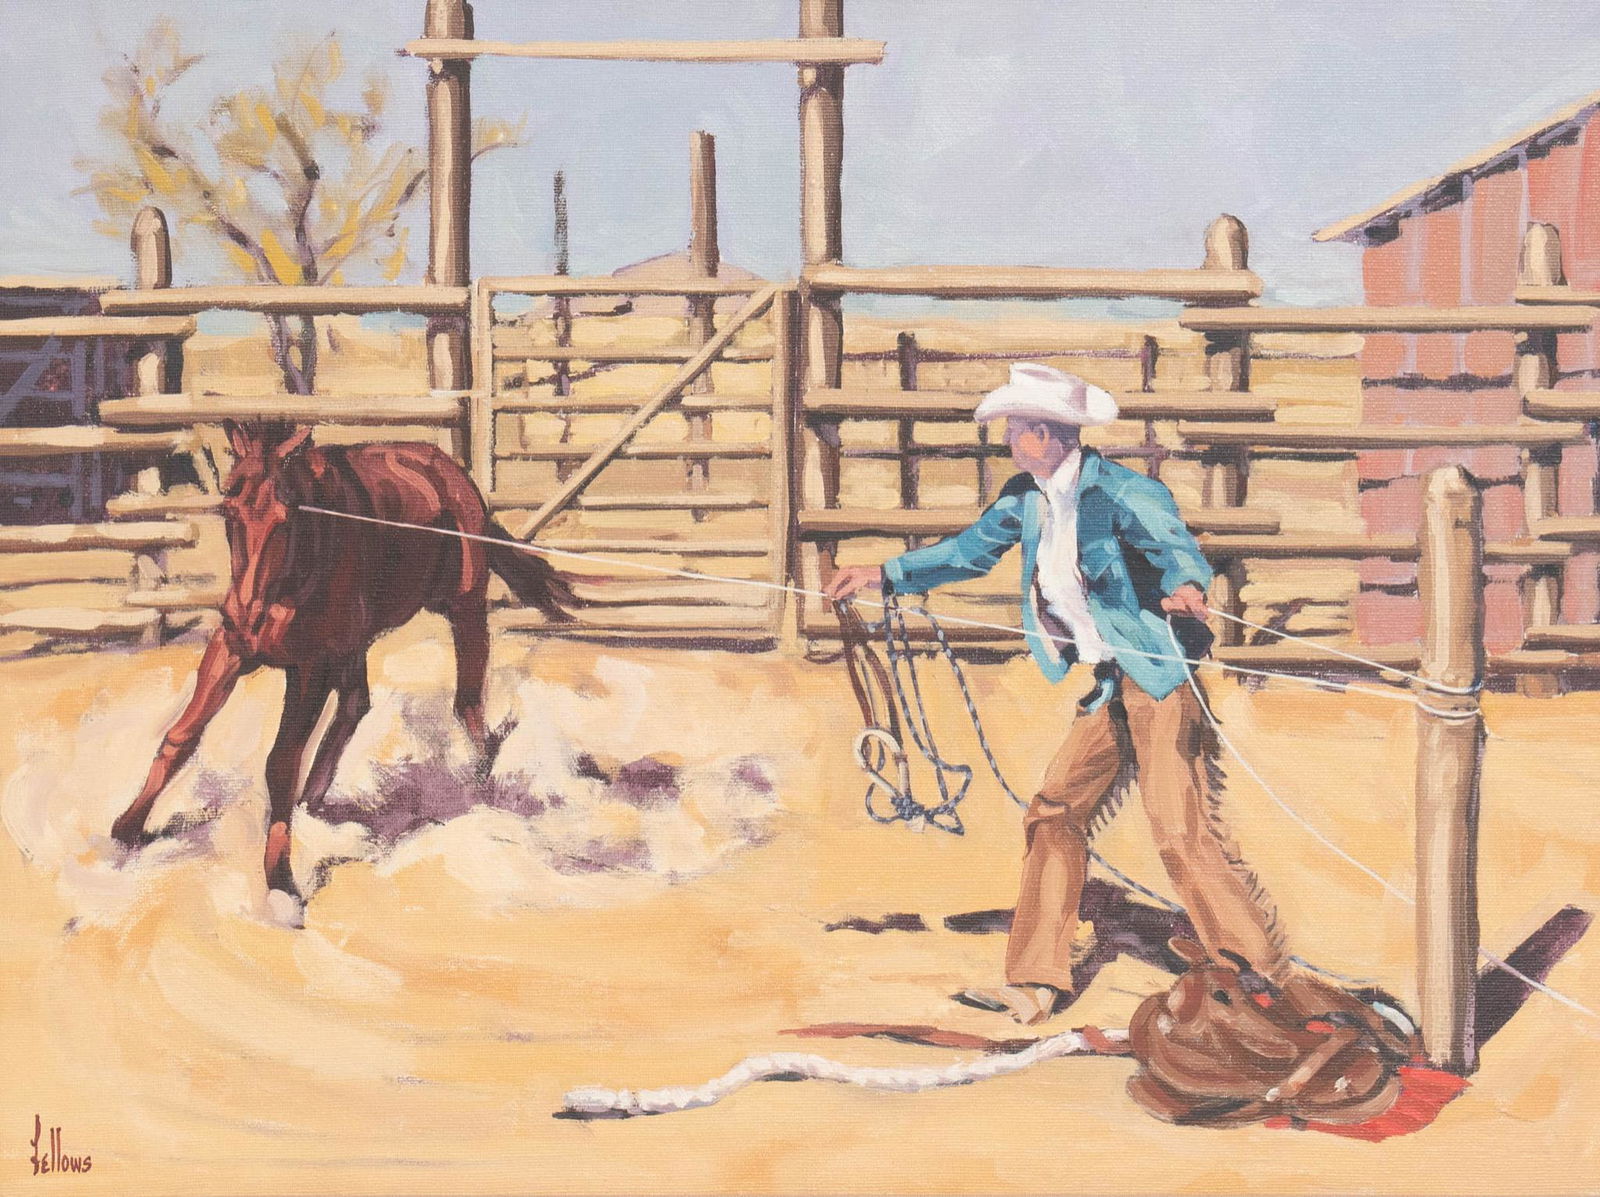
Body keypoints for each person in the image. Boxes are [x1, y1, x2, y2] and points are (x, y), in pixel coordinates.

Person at [826, 362, 1306, 1026]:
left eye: (1017, 428)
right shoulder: (1024, 500)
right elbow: (969, 552)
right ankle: (1034, 981)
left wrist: (1186, 586)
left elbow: (1176, 550)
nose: (1007, 439)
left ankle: (1258, 976)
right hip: (1111, 685)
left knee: (1179, 830)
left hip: (1159, 681)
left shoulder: (1125, 491)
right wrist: (884, 574)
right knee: (1054, 812)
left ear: (1050, 434)